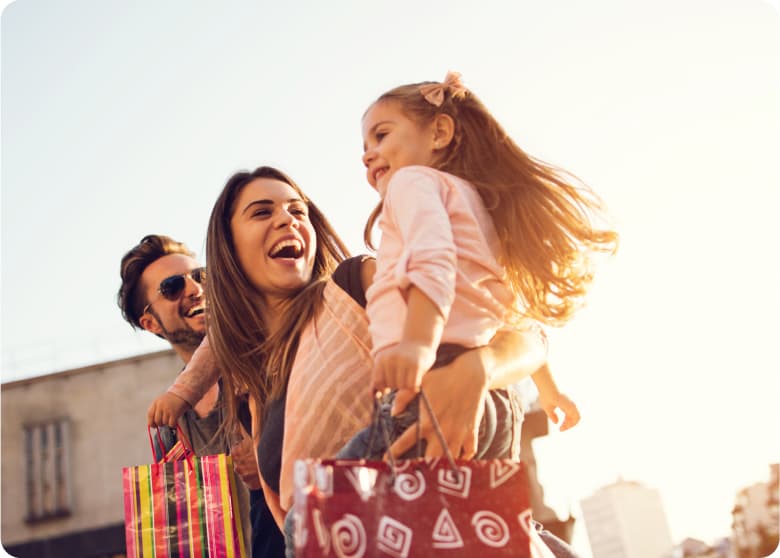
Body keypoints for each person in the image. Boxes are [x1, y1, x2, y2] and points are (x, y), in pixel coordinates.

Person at [146, 167, 582, 556]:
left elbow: (523, 330)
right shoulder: (256, 391)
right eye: (262, 212)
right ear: (229, 250)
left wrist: (480, 368)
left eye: (298, 211)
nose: (287, 219)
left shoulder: (353, 286)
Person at [342, 70, 617, 461]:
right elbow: (513, 316)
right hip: (498, 411)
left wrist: (419, 345)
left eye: (381, 135)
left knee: (315, 513)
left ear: (439, 133)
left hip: (432, 385)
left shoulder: (411, 183)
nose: (367, 153)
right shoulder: (480, 210)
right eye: (365, 144)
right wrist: (548, 390)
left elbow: (430, 261)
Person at [118, 234, 285, 558]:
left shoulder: (267, 359)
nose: (195, 289)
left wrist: (268, 452)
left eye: (200, 276)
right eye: (172, 287)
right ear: (150, 322)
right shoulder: (171, 424)